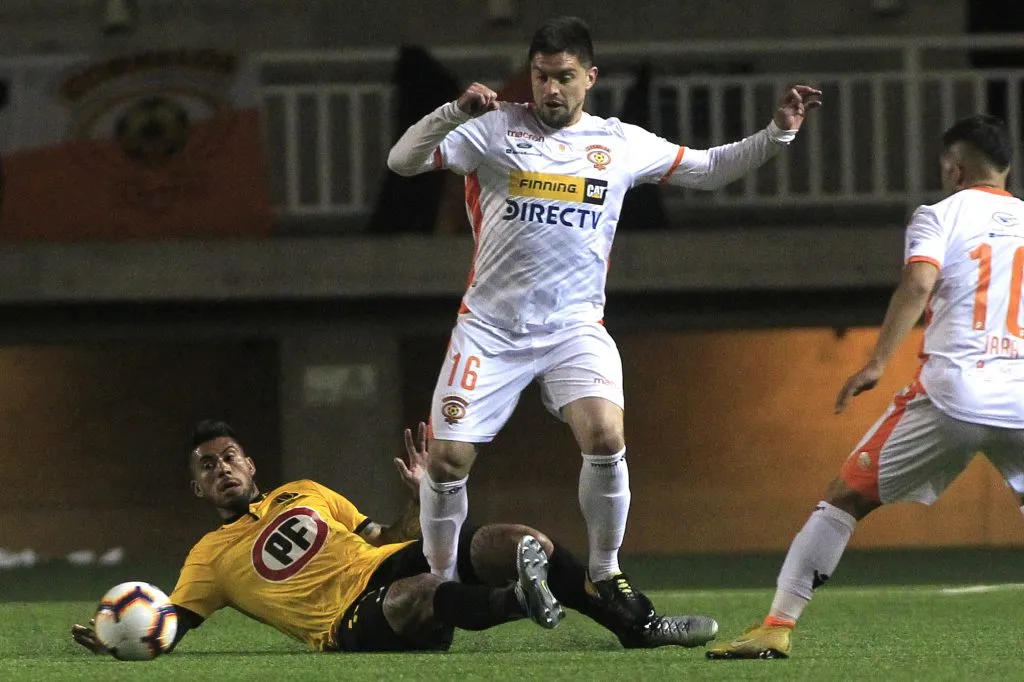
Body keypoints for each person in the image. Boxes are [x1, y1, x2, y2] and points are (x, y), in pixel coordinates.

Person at [386, 14, 821, 632]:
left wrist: (777, 133)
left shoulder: (619, 143)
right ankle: (439, 584)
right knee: (448, 462)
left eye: (564, 77)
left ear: (590, 77)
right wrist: (453, 110)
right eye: (541, 76)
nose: (550, 90)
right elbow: (403, 161)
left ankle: (604, 570)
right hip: (490, 329)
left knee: (605, 437)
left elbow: (708, 168)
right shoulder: (491, 130)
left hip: (573, 330)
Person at [707, 114, 1024, 660]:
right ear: (1007, 168)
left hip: (954, 393)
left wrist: (878, 361)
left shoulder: (939, 215)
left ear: (954, 166)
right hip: (1021, 396)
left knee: (844, 498)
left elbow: (920, 281)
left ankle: (777, 626)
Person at [72, 419, 716, 655]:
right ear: (198, 490)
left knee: (515, 539)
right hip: (348, 621)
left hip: (383, 562)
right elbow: (174, 622)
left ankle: (636, 623)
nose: (222, 469)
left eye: (230, 456)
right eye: (207, 466)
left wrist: (421, 500)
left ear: (251, 465)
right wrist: (121, 638)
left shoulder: (307, 491)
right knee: (422, 593)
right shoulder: (207, 560)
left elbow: (385, 534)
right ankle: (522, 601)